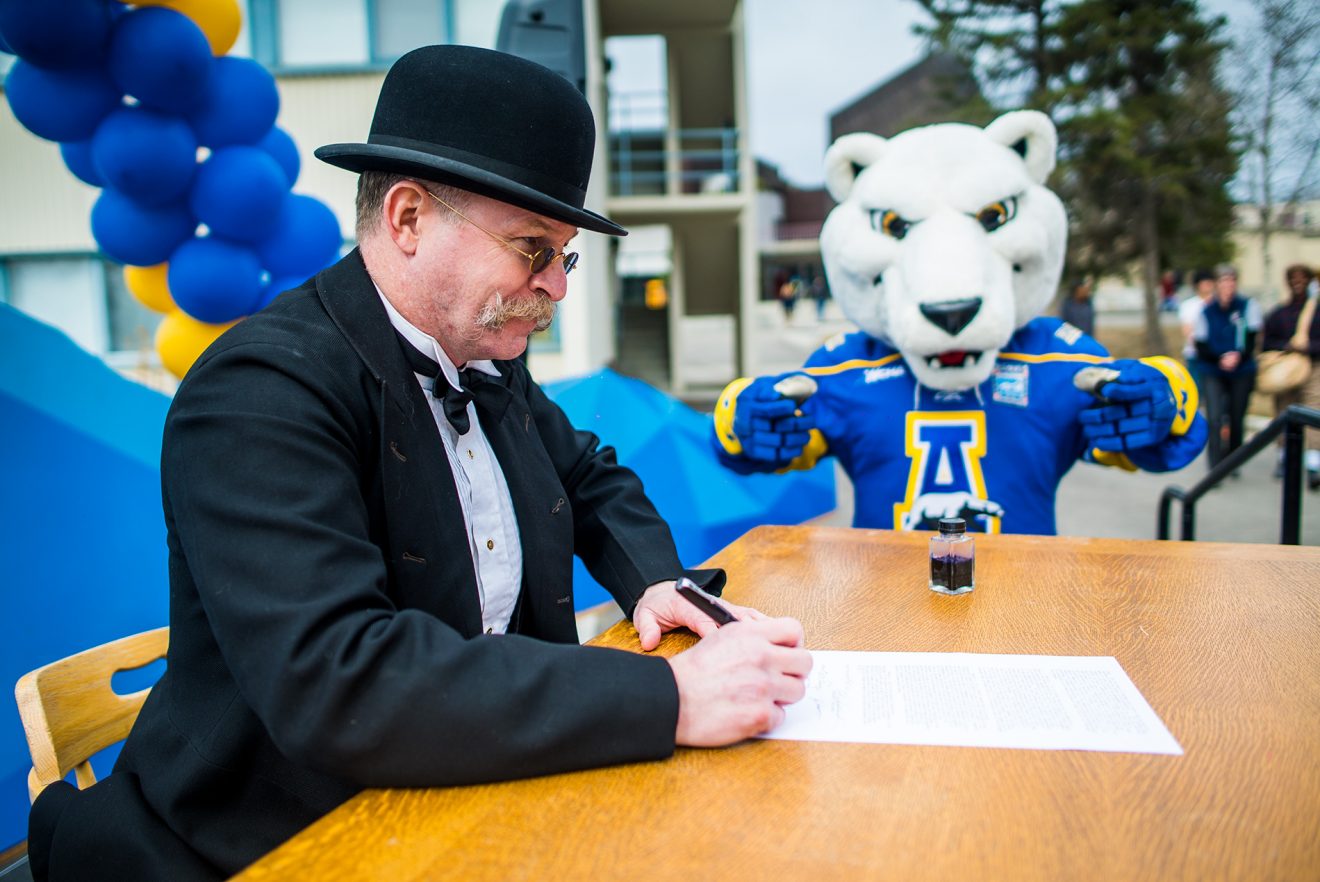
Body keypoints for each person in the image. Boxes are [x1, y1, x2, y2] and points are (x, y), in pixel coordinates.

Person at [27, 46, 810, 882]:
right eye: (531, 248)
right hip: (275, 839)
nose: (556, 286)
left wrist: (658, 579)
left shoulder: (483, 355)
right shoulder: (257, 392)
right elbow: (338, 679)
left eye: (562, 256)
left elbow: (586, 474)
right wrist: (674, 698)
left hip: (466, 797)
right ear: (407, 219)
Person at [1193, 264, 1262, 470]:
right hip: (1213, 369)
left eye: (1231, 280)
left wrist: (1237, 357)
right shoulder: (1206, 310)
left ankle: (1233, 460)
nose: (1228, 285)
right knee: (1214, 418)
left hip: (1241, 369)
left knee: (1236, 416)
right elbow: (1200, 343)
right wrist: (1220, 358)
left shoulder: (1247, 306)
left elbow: (1251, 338)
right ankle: (1215, 465)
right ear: (1216, 284)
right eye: (1223, 280)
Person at [1261, 264, 1320, 487]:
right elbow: (1266, 343)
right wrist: (1287, 346)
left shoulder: (1316, 312)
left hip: (1314, 367)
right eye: (1293, 278)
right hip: (1286, 369)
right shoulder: (1279, 313)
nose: (1298, 282)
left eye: (1303, 278)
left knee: (1314, 409)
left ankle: (1314, 462)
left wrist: (1309, 347)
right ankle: (1284, 457)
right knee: (1284, 411)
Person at [1179, 269, 1215, 394]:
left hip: (1216, 354)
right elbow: (1187, 329)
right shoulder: (1189, 305)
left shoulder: (1218, 303)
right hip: (1195, 353)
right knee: (1195, 389)